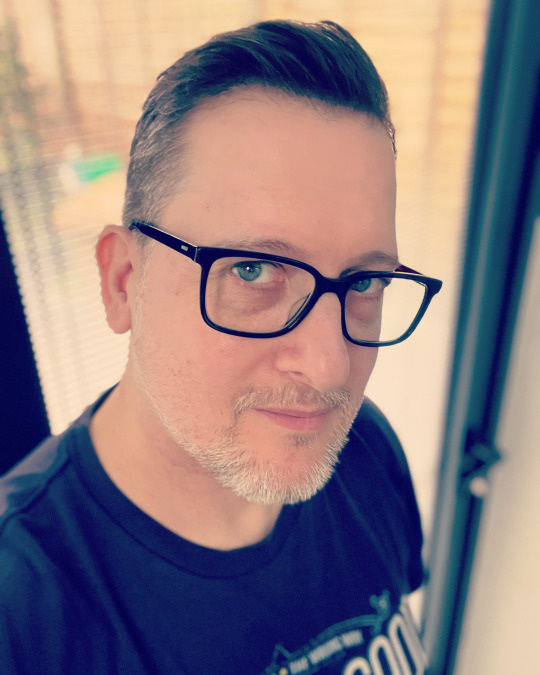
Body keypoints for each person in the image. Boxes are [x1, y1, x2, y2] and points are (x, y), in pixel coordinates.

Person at [0, 19, 442, 674]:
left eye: (365, 282)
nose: (328, 368)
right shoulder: (21, 615)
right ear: (124, 281)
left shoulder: (364, 451)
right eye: (253, 271)